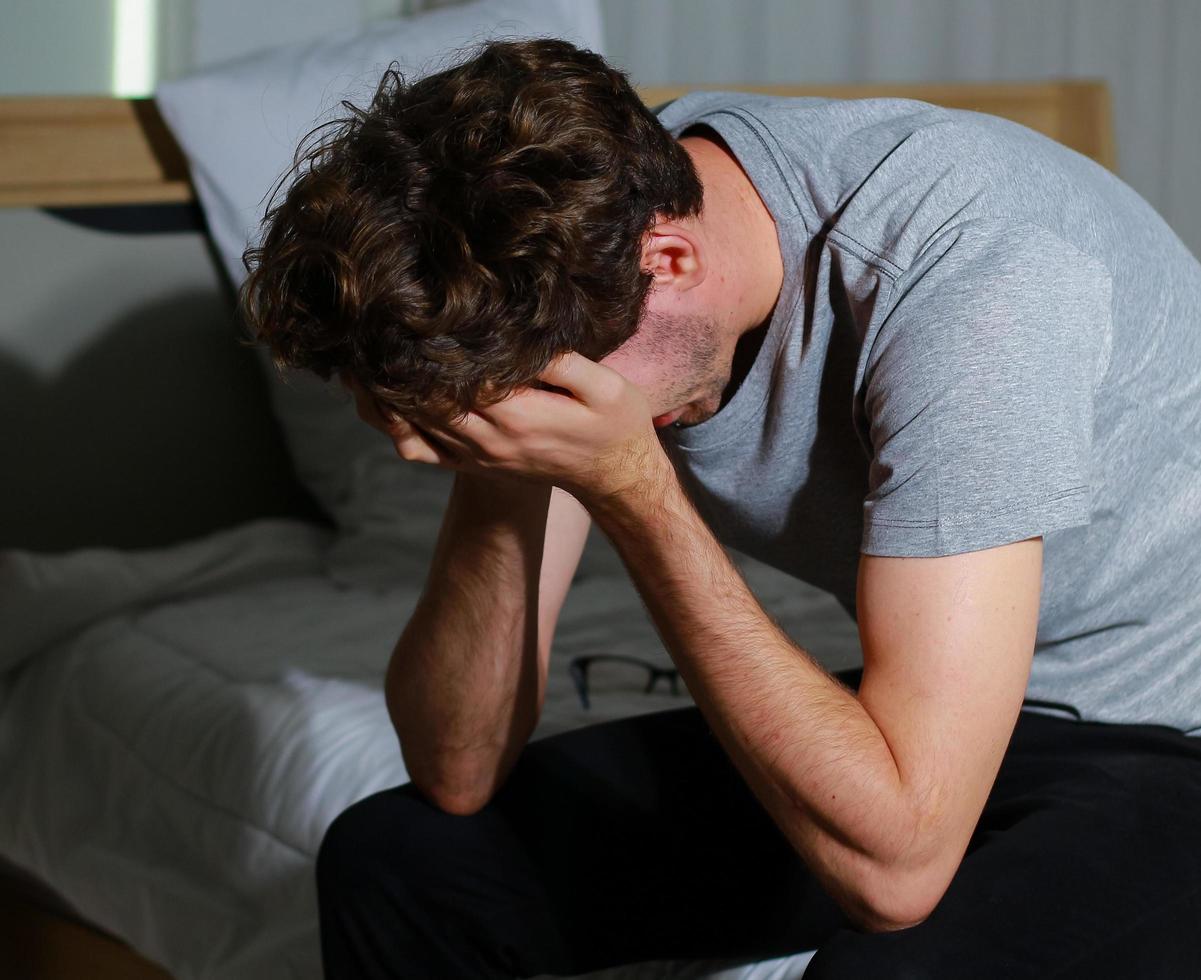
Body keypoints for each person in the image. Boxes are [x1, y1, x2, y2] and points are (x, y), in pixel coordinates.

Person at [239, 35, 1201, 979]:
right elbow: (460, 770)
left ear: (670, 261)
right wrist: (501, 465)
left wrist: (633, 488)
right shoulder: (586, 232)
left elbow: (896, 874)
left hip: (1173, 727)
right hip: (957, 708)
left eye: (533, 393)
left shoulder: (977, 277)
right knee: (401, 864)